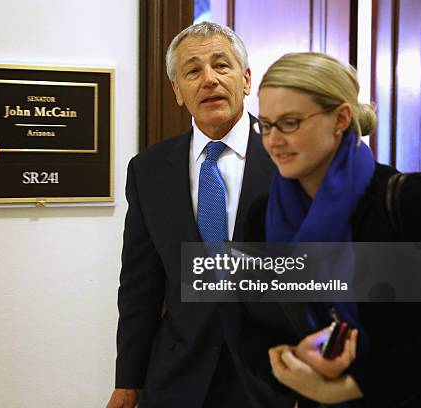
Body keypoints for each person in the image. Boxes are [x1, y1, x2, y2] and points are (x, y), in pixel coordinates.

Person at [106, 21, 294, 408]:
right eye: (193, 70)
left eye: (221, 66)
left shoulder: (292, 157)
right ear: (178, 91)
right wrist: (127, 382)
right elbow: (140, 286)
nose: (209, 79)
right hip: (177, 379)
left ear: (245, 80)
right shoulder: (149, 170)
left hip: (274, 379)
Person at [245, 52, 421, 406]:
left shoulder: (409, 201)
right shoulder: (261, 216)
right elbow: (249, 327)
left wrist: (346, 388)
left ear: (340, 118)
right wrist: (293, 357)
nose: (273, 140)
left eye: (290, 123)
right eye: (266, 125)